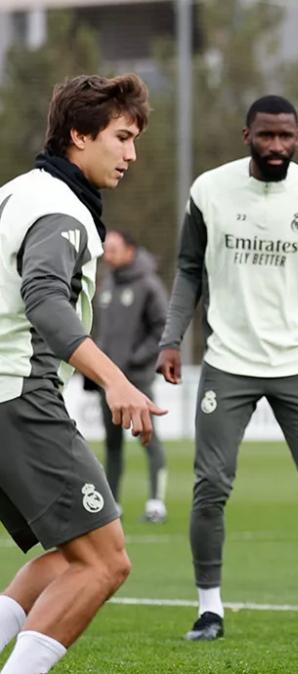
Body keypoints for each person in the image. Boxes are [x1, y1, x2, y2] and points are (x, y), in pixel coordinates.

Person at [156, 95, 298, 641]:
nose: (276, 146)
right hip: (227, 362)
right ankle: (210, 611)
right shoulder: (209, 190)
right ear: (246, 135)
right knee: (210, 487)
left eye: (286, 137)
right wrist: (171, 338)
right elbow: (188, 269)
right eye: (266, 136)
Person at [0, 73, 160, 674]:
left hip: (7, 397)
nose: (131, 154)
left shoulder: (16, 192)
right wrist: (115, 379)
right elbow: (44, 299)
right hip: (20, 395)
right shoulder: (61, 211)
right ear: (78, 134)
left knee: (72, 555)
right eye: (121, 137)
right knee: (105, 561)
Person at [90, 229, 169, 523]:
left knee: (150, 438)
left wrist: (135, 360)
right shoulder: (106, 284)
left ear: (130, 251)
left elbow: (162, 328)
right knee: (111, 443)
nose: (107, 254)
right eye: (105, 249)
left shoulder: (148, 285)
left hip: (137, 378)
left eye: (112, 249)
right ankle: (114, 504)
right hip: (108, 381)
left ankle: (156, 502)